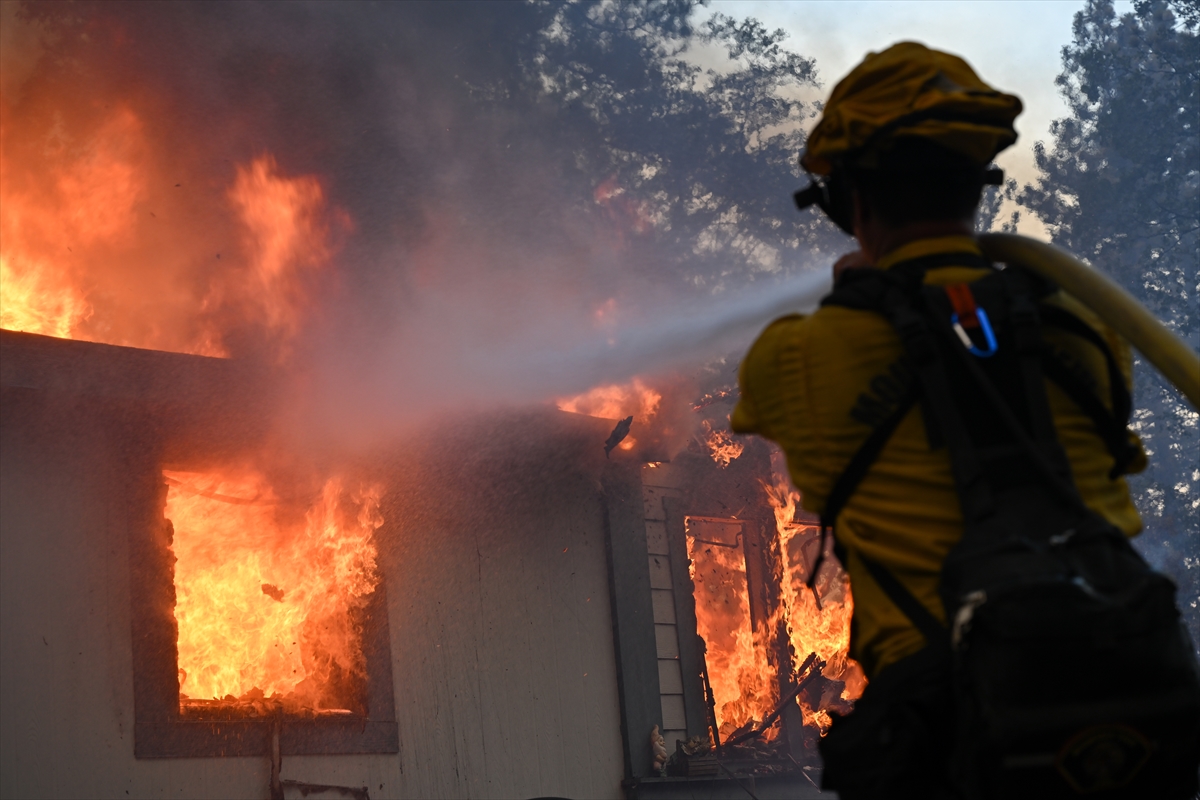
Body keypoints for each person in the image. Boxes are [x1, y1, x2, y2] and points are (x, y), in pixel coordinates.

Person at [729, 42, 1176, 798]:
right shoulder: (1084, 330)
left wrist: (860, 303)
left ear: (848, 202)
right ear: (979, 185)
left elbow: (762, 421)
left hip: (952, 736)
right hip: (1127, 702)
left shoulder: (796, 359)